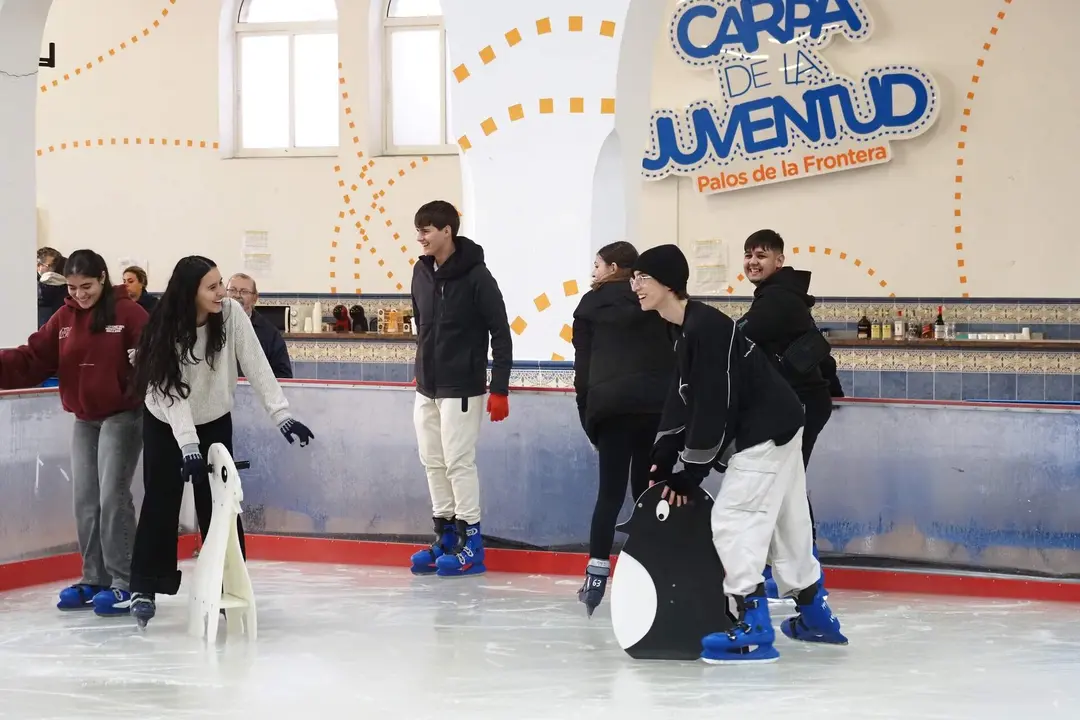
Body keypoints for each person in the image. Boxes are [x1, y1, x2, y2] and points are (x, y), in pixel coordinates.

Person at [631, 244, 846, 664]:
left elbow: (715, 401)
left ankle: (751, 629)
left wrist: (690, 471)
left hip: (763, 433)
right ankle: (814, 614)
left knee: (735, 520)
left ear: (669, 282)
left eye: (644, 277)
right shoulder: (684, 327)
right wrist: (665, 445)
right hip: (782, 423)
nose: (635, 286)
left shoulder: (705, 328)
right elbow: (682, 392)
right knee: (788, 524)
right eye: (634, 278)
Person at [127, 255, 314, 627]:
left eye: (221, 283)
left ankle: (229, 585)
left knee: (221, 502)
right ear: (190, 292)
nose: (222, 292)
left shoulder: (230, 315)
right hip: (166, 419)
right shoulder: (165, 329)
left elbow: (257, 364)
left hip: (213, 415)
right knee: (162, 496)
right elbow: (171, 395)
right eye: (212, 286)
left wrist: (282, 414)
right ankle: (145, 585)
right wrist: (188, 447)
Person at [1, 250, 148, 614]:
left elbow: (155, 354)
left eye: (87, 286)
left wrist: (143, 362)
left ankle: (124, 582)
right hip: (85, 417)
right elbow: (31, 359)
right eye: (72, 287)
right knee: (85, 499)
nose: (80, 294)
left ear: (102, 278)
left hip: (123, 415)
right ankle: (94, 577)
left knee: (112, 497)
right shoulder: (64, 318)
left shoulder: (127, 312)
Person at [408, 200, 512, 578]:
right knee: (432, 461)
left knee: (458, 463)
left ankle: (473, 544)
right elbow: (423, 327)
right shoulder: (420, 274)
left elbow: (500, 333)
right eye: (418, 229)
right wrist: (422, 368)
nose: (420, 236)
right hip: (428, 388)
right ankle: (445, 536)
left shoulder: (478, 277)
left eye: (427, 229)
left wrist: (499, 387)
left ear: (447, 231)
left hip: (463, 388)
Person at [571, 241, 674, 616]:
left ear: (614, 266)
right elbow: (670, 354)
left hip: (610, 408)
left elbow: (582, 371)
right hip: (653, 407)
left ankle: (597, 575)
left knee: (609, 494)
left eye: (597, 265)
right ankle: (657, 564)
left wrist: (589, 413)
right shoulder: (652, 301)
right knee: (646, 488)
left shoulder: (588, 306)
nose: (593, 272)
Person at [737, 229, 836, 597]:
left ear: (779, 260)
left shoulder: (778, 299)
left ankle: (800, 568)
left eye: (761, 255)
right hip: (800, 403)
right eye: (748, 254)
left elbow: (739, 338)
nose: (752, 261)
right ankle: (793, 565)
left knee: (784, 486)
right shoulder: (780, 294)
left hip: (801, 405)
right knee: (786, 484)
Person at [225, 272, 293, 378]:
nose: (237, 295)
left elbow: (284, 375)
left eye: (244, 291)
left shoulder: (270, 334)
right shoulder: (211, 324)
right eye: (232, 290)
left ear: (255, 298)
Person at [37, 246, 68, 328]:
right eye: (50, 266)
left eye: (56, 266)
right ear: (38, 266)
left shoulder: (66, 284)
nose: (54, 270)